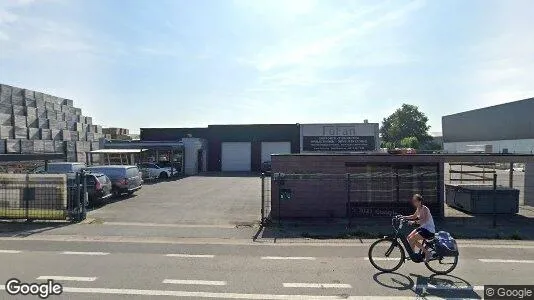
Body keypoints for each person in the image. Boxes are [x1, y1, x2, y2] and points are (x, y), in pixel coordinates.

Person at [403, 194, 435, 262]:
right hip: (423, 228)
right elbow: (414, 216)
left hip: (429, 230)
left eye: (415, 201)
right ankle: (412, 255)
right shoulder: (418, 208)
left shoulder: (425, 209)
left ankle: (427, 253)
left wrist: (413, 222)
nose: (413, 202)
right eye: (413, 201)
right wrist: (403, 217)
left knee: (413, 238)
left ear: (419, 201)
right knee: (409, 237)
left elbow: (424, 220)